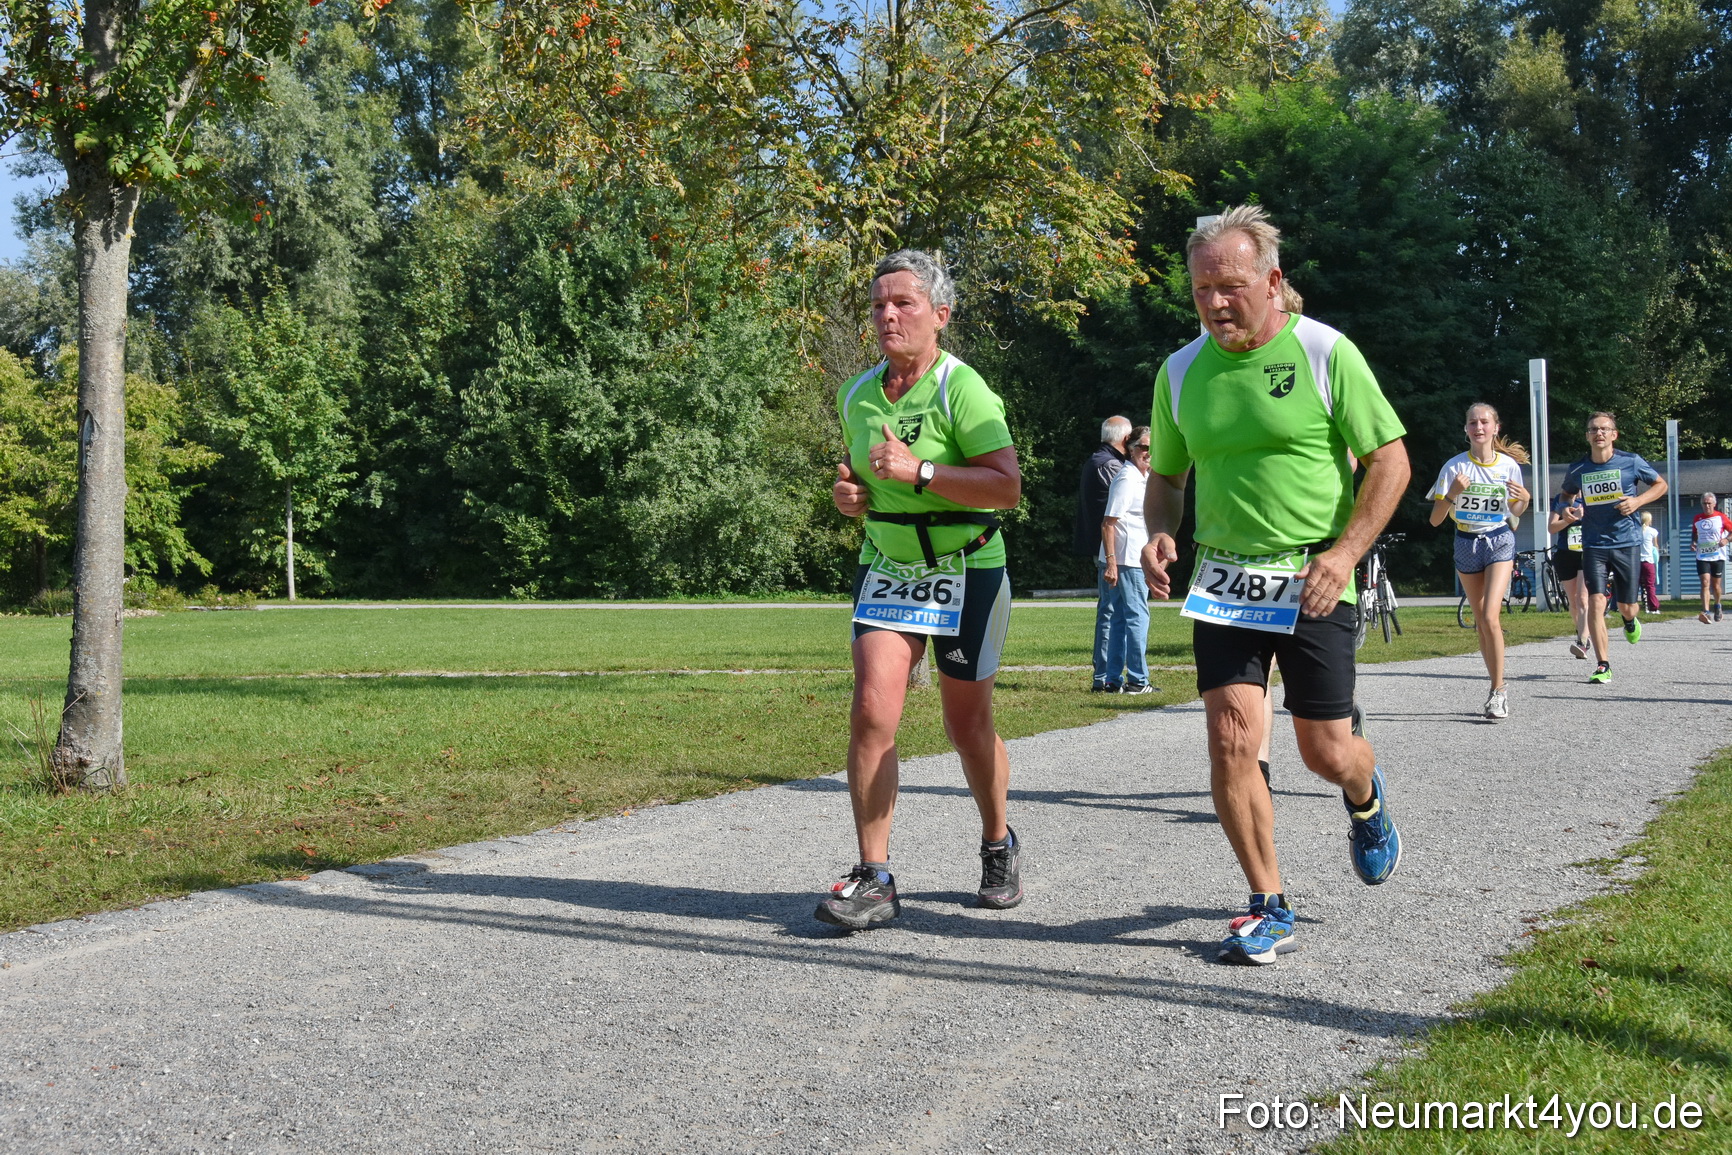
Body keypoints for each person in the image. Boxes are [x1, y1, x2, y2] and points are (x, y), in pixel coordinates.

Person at [1140, 206, 1411, 966]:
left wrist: (1345, 553)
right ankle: (1268, 901)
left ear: (1273, 280)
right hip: (1225, 580)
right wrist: (1159, 530)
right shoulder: (1181, 371)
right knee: (1230, 738)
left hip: (1314, 576)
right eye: (1201, 290)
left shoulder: (1325, 353)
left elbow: (1390, 460)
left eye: (1229, 286)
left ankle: (1366, 795)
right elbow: (1165, 474)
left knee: (1326, 750)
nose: (1216, 303)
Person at [821, 249, 1024, 929]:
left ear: (940, 314)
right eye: (878, 305)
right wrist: (850, 496)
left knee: (967, 725)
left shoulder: (960, 389)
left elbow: (1006, 485)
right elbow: (857, 478)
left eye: (903, 303)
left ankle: (998, 840)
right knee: (873, 710)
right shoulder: (857, 394)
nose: (887, 315)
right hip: (889, 564)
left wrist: (922, 471)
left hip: (967, 567)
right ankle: (874, 874)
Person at [1426, 403, 1531, 720]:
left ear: (1495, 427)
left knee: (1489, 616)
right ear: (1466, 429)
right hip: (1466, 543)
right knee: (1481, 622)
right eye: (1473, 422)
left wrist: (1525, 499)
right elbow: (1434, 521)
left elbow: (1515, 512)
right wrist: (1452, 493)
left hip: (1499, 539)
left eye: (1484, 422)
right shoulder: (1454, 468)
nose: (1479, 427)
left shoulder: (1509, 466)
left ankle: (1498, 692)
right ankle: (1494, 685)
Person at [1558, 412, 1668, 685]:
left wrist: (1637, 502)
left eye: (1605, 429)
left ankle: (1630, 621)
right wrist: (1567, 509)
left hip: (1626, 542)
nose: (1599, 433)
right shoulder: (1578, 469)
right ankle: (1602, 664)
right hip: (1593, 543)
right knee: (1596, 601)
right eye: (1593, 429)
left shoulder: (1630, 461)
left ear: (1614, 435)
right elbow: (1566, 494)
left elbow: (1661, 484)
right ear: (1587, 435)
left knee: (1626, 606)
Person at [1078, 416, 1132, 691]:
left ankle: (1107, 675)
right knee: (1112, 612)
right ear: (1124, 439)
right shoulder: (1111, 465)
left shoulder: (1096, 460)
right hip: (1111, 550)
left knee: (1111, 610)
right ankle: (1104, 677)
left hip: (1106, 548)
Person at [1101, 425, 1156, 694]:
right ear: (1131, 448)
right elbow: (1108, 523)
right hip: (1128, 560)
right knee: (1137, 617)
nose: (1148, 452)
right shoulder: (1127, 478)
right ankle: (1137, 679)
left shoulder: (1142, 478)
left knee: (1121, 619)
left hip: (1131, 558)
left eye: (1152, 447)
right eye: (1144, 447)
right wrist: (1111, 562)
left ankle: (1112, 680)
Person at [1548, 492, 1590, 657]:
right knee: (1573, 602)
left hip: (1587, 552)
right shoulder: (1561, 500)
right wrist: (1571, 518)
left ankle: (1583, 642)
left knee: (1582, 599)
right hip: (1566, 553)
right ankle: (1582, 631)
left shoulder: (1591, 498)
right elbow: (1551, 528)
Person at [1691, 492, 1732, 623]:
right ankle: (1706, 612)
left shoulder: (1721, 517)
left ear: (1714, 504)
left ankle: (1718, 605)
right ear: (1701, 504)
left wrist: (1726, 539)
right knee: (1704, 582)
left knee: (1716, 585)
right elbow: (1695, 534)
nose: (1707, 506)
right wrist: (1694, 543)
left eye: (1709, 503)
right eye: (1704, 503)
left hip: (1717, 555)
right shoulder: (1697, 518)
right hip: (1702, 555)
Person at [1639, 512, 1662, 614]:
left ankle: (1632, 605)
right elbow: (1655, 546)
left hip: (1637, 561)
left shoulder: (1636, 531)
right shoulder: (1653, 531)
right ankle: (1653, 607)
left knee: (1636, 585)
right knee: (1650, 585)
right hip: (1648, 561)